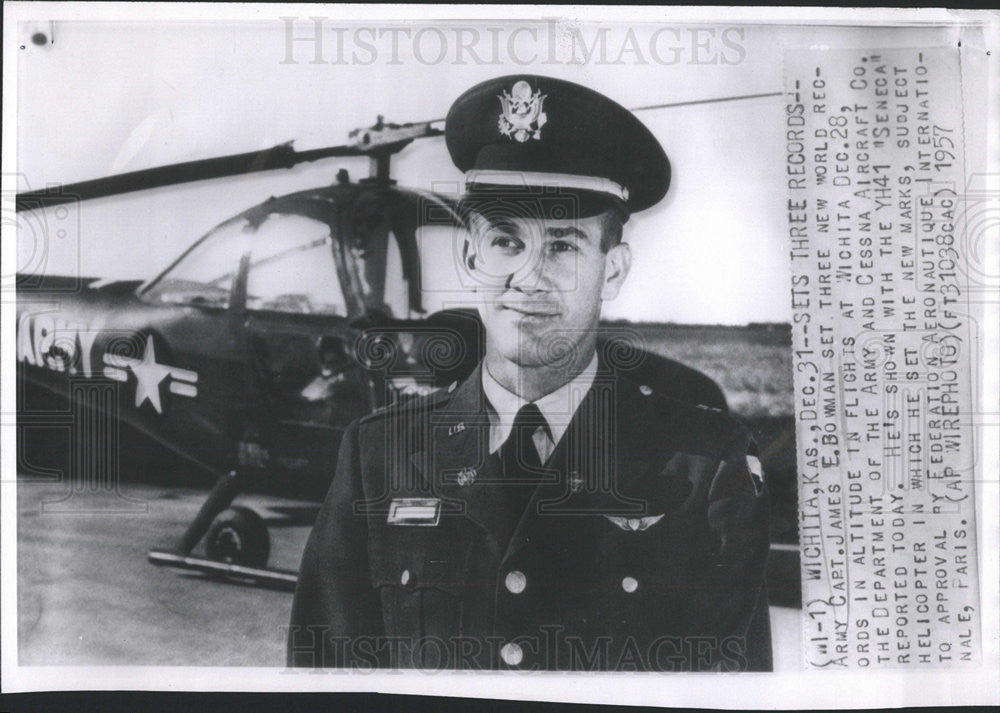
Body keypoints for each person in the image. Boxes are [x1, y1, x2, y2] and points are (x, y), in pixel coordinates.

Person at [288, 75, 771, 671]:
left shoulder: (703, 463)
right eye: (507, 243)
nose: (529, 278)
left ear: (613, 271)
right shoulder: (377, 455)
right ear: (471, 258)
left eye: (564, 247)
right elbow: (326, 679)